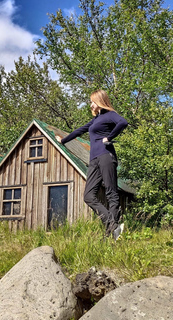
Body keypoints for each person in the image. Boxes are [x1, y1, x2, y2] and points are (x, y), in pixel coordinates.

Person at [56, 89, 128, 239]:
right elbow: (79, 131)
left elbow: (123, 122)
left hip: (106, 156)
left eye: (92, 101)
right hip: (94, 160)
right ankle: (113, 225)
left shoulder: (109, 114)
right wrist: (62, 141)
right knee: (88, 196)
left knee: (111, 193)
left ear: (100, 100)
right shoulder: (95, 120)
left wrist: (109, 137)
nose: (91, 104)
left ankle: (112, 234)